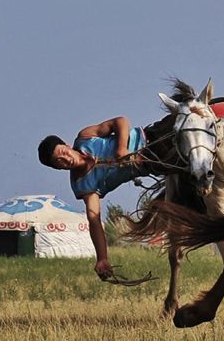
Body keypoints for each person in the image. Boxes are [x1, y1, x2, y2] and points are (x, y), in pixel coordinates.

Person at [38, 117, 146, 280]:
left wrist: (121, 149)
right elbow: (93, 218)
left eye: (63, 153)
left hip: (149, 138)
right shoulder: (82, 184)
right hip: (150, 165)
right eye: (59, 162)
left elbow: (121, 121)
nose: (66, 159)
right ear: (58, 168)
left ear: (67, 146)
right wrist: (102, 258)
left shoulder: (86, 137)